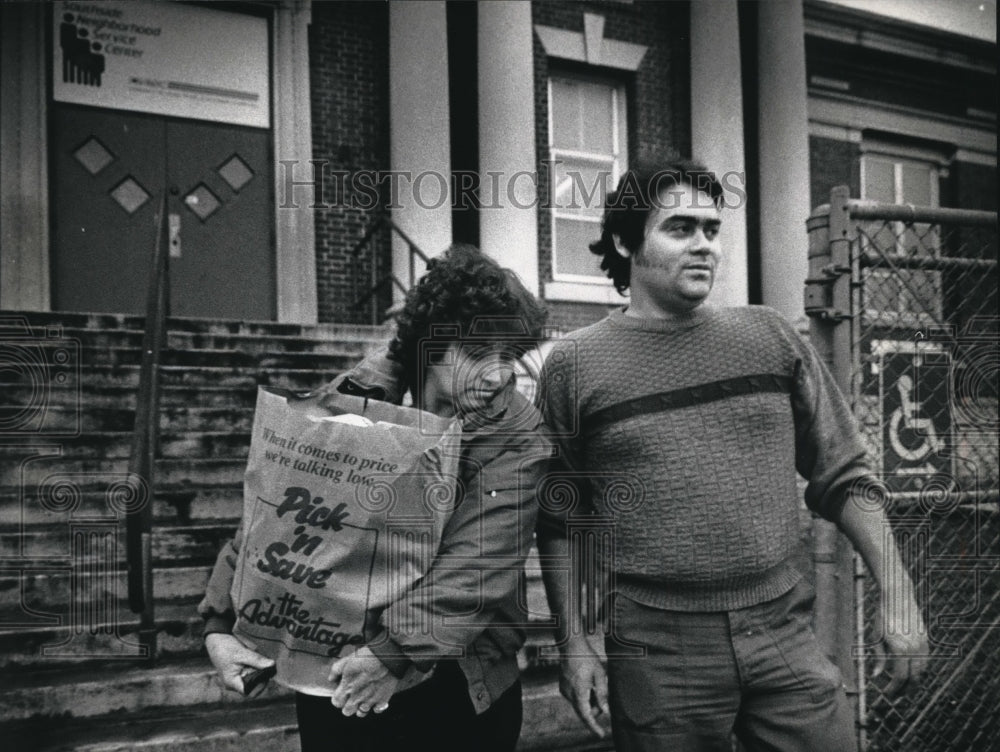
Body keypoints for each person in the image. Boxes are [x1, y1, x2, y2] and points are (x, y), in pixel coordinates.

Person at [536, 159, 929, 751]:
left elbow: (845, 475)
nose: (704, 247)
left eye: (712, 230)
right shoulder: (574, 365)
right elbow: (561, 517)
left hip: (783, 629)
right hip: (658, 648)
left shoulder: (768, 336)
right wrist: (574, 641)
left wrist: (898, 596)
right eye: (680, 229)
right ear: (625, 241)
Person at [199, 243, 552, 752]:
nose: (497, 376)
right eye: (478, 355)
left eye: (509, 357)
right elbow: (279, 510)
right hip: (338, 677)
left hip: (455, 687)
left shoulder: (518, 434)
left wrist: (391, 654)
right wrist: (220, 624)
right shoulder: (355, 396)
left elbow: (480, 562)